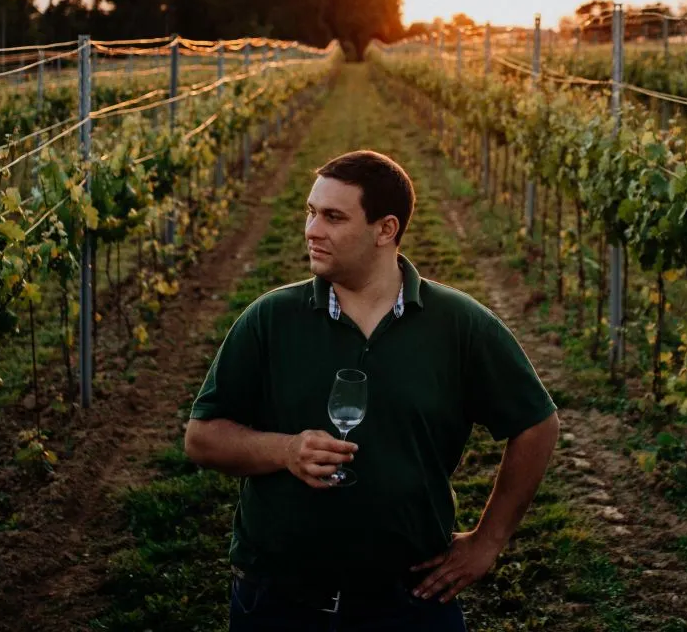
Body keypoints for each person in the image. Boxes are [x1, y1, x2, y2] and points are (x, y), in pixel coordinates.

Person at [184, 149, 560, 630]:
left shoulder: (458, 324)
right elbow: (201, 437)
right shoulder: (270, 319)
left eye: (333, 217)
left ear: (386, 229)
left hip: (410, 601)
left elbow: (536, 423)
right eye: (310, 212)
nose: (312, 230)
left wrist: (489, 541)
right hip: (279, 600)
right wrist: (285, 450)